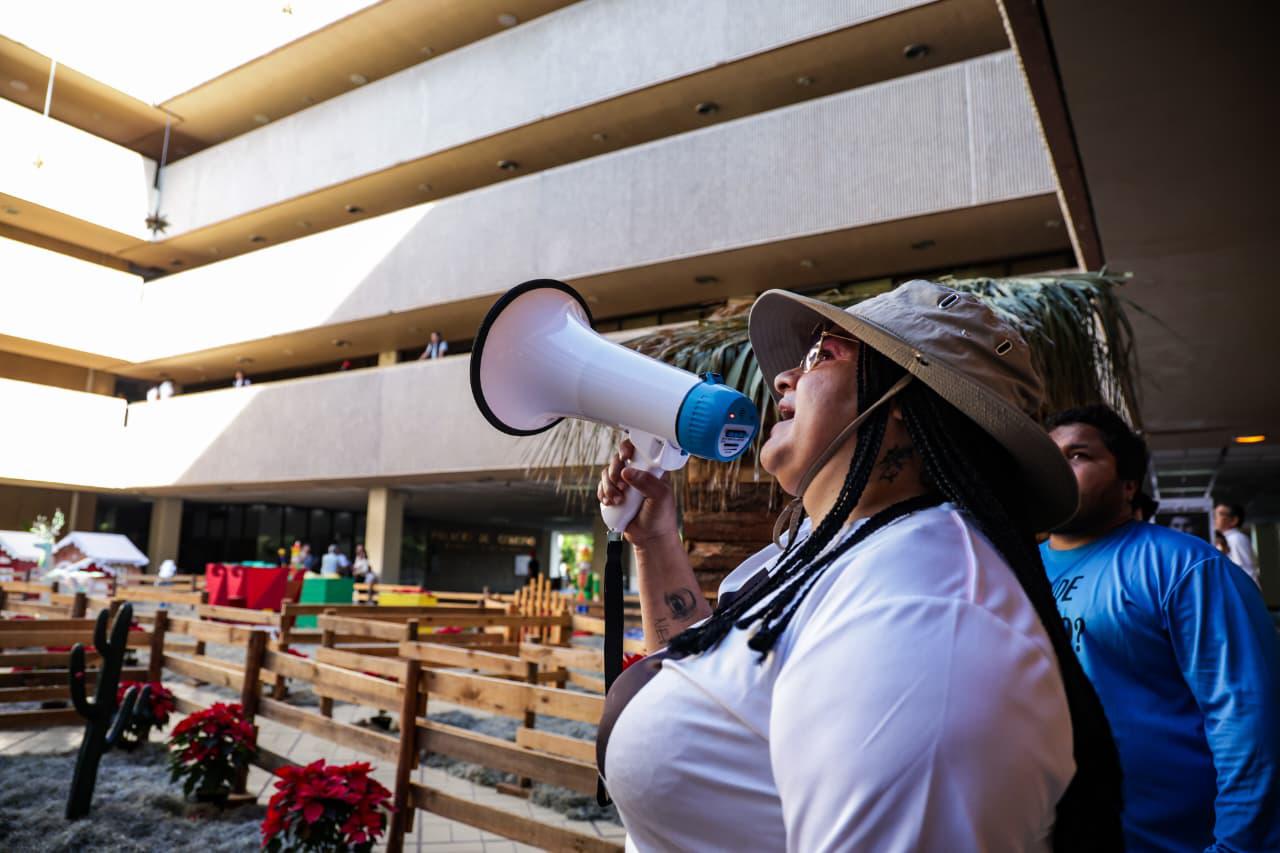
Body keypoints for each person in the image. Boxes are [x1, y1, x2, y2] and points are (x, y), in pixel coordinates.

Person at [596, 281, 1122, 851]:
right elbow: (718, 692)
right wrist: (653, 544)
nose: (782, 378)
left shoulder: (924, 623)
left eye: (823, 354)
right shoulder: (825, 556)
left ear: (900, 400)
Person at [1042, 404, 1280, 851]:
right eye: (1049, 456)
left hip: (1175, 839)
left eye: (1077, 455)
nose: (1057, 468)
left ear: (1128, 483)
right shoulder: (1010, 572)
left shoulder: (1184, 566)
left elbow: (1247, 718)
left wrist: (1238, 845)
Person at [1215, 501, 1261, 587]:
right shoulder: (1225, 539)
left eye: (1220, 514)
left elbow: (1246, 571)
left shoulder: (1236, 538)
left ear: (1234, 520)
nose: (1214, 518)